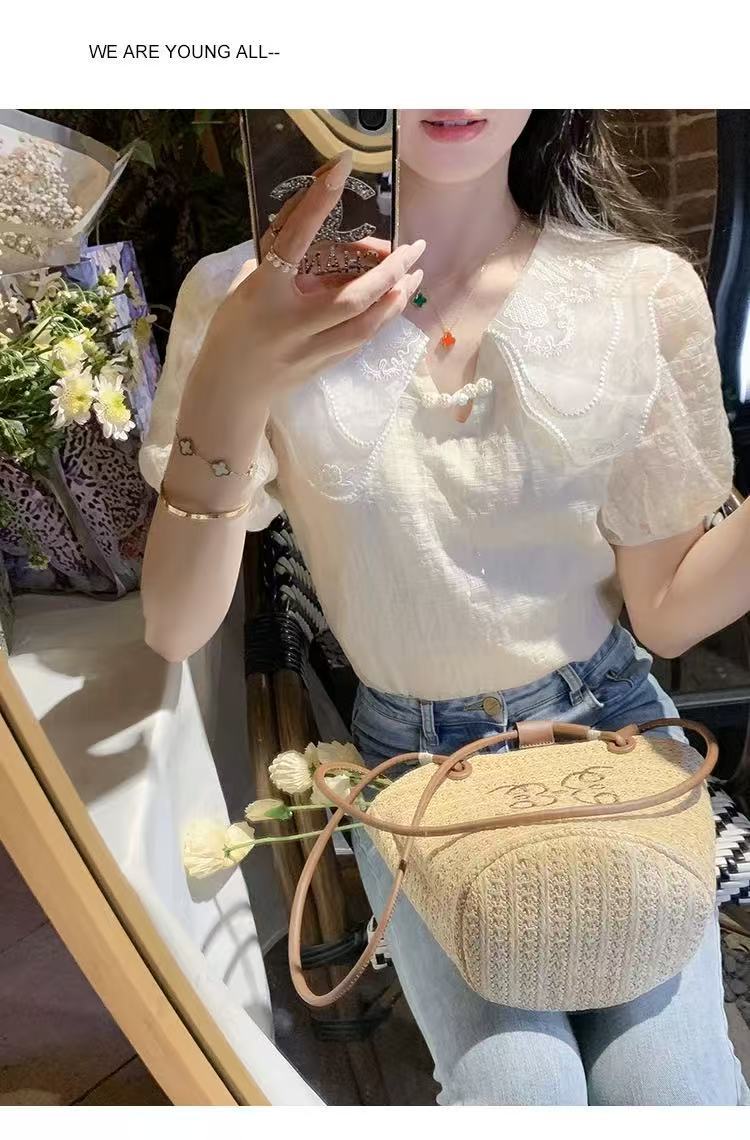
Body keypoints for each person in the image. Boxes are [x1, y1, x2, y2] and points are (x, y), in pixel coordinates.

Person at [139, 110, 750, 1105]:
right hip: (412, 773)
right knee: (521, 1094)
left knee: (673, 1092)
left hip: (614, 738)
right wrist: (237, 372)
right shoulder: (243, 293)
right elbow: (174, 624)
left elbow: (669, 610)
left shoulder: (637, 290)